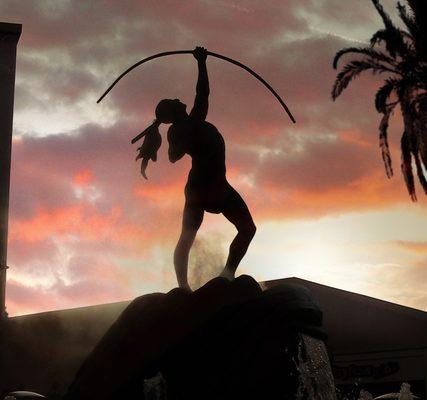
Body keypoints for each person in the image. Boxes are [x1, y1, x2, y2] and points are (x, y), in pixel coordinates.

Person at [134, 46, 256, 290]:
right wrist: (201, 62)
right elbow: (173, 156)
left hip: (217, 186)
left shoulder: (187, 125)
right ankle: (183, 287)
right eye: (173, 102)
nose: (179, 100)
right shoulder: (184, 127)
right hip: (201, 188)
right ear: (171, 112)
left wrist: (201, 61)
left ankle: (226, 274)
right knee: (187, 237)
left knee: (247, 228)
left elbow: (202, 93)